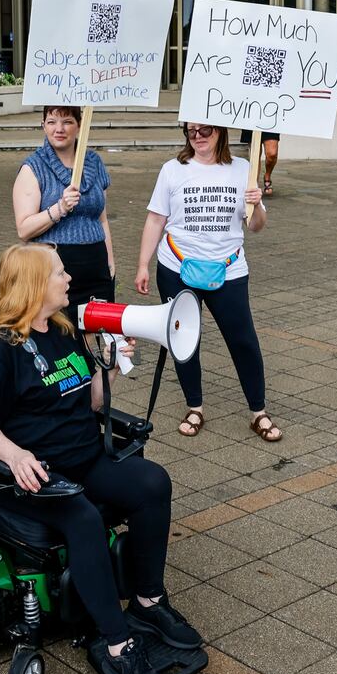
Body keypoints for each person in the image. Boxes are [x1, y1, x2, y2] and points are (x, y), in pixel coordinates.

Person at [0, 243, 200, 674]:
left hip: (85, 458)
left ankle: (149, 602)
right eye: (58, 272)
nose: (68, 278)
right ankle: (117, 643)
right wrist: (14, 457)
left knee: (154, 484)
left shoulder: (62, 329)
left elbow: (90, 402)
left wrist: (111, 368)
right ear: (34, 284)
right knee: (85, 520)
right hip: (37, 475)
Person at [135, 123, 280, 442]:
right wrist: (143, 264)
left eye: (206, 131)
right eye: (191, 131)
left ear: (221, 131)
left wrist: (256, 202)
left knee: (243, 340)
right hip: (176, 266)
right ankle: (194, 407)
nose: (198, 137)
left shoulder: (242, 168)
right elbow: (156, 218)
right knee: (184, 340)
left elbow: (255, 226)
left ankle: (259, 412)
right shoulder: (172, 170)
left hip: (228, 270)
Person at [13, 105, 115, 307]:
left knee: (96, 332)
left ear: (79, 126)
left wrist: (110, 263)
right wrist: (59, 208)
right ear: (43, 126)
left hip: (96, 267)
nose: (59, 129)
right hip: (53, 272)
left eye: (67, 122)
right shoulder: (33, 168)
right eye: (51, 122)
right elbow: (24, 230)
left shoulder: (94, 162)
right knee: (63, 334)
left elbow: (101, 219)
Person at [238, 129, 280, 195]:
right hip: (253, 121)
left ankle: (267, 175)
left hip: (270, 121)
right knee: (255, 155)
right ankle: (255, 184)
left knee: (272, 154)